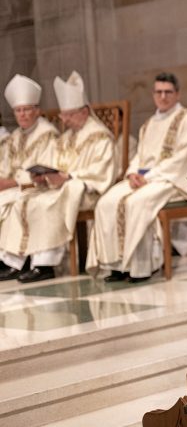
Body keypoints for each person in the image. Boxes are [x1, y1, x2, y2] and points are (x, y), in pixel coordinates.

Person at [87, 73, 187, 283]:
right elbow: (139, 156)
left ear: (177, 94)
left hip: (172, 180)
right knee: (106, 202)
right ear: (153, 95)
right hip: (146, 178)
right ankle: (116, 265)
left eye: (168, 92)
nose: (163, 96)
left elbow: (182, 160)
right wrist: (133, 173)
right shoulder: (149, 123)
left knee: (136, 203)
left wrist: (149, 176)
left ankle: (141, 267)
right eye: (159, 92)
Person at [0, 72, 116, 283]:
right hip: (61, 187)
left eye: (69, 115)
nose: (65, 120)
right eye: (64, 115)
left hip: (86, 189)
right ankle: (16, 261)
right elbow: (53, 162)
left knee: (43, 203)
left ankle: (45, 264)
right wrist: (46, 174)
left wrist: (69, 177)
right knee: (31, 200)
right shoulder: (67, 137)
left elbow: (101, 171)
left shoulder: (100, 136)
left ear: (84, 111)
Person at [0, 75, 59, 281]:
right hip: (16, 186)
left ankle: (25, 262)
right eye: (18, 110)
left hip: (38, 186)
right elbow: (6, 166)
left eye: (26, 109)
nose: (22, 114)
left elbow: (47, 168)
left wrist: (14, 182)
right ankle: (8, 260)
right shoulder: (15, 136)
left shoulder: (47, 134)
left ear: (37, 110)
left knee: (18, 203)